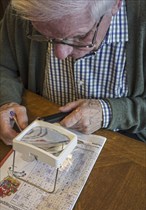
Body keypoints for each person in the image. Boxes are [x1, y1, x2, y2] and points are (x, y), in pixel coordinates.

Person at [0, 0, 146, 145]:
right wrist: (6, 102)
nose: (61, 54)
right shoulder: (23, 12)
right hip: (40, 134)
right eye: (46, 35)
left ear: (115, 4)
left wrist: (109, 112)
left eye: (80, 36)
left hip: (124, 148)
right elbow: (4, 67)